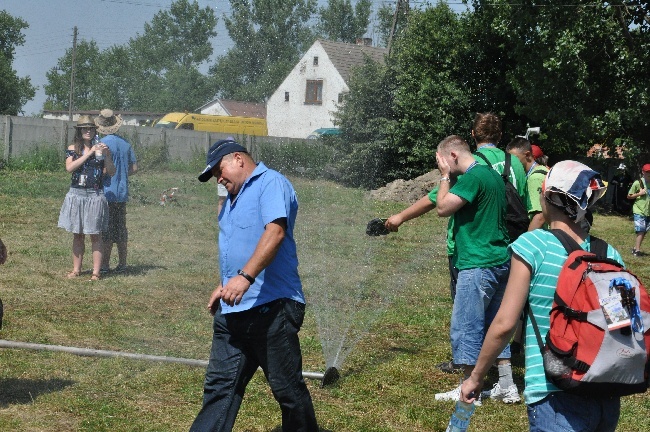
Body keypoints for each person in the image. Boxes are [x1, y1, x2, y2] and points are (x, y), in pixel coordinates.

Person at [460, 160, 620, 431]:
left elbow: (504, 324)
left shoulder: (533, 245)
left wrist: (475, 377)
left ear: (546, 196)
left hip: (555, 395)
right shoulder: (609, 253)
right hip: (605, 395)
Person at [190, 139, 319, 432]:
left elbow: (275, 232)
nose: (218, 178)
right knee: (219, 388)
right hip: (234, 307)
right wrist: (223, 284)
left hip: (272, 307)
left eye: (219, 170)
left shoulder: (271, 183)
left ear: (238, 158)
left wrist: (244, 277)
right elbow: (239, 246)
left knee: (287, 390)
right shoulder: (231, 199)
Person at [432, 135, 520, 404]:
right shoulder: (493, 175)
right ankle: (506, 384)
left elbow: (442, 208)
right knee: (496, 325)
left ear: (453, 156)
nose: (441, 167)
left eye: (442, 162)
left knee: (467, 326)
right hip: (500, 260)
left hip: (477, 262)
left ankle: (468, 389)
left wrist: (445, 176)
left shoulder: (471, 177)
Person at [57, 115, 115, 281]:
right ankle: (76, 270)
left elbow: (111, 172)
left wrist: (108, 156)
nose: (88, 131)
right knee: (78, 234)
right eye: (84, 128)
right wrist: (88, 153)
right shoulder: (73, 148)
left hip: (95, 194)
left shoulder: (101, 148)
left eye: (90, 128)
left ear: (95, 130)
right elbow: (69, 168)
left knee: (95, 234)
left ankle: (96, 273)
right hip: (77, 194)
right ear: (79, 131)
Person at [96, 109, 138, 273]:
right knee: (121, 229)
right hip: (122, 193)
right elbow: (134, 168)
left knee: (106, 230)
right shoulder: (125, 144)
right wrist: (122, 173)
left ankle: (105, 265)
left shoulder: (101, 144)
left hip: (106, 193)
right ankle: (122, 264)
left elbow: (101, 169)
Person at [471, 113, 527, 204]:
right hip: (514, 217)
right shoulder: (515, 161)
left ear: (473, 133)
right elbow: (525, 200)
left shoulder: (469, 162)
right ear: (500, 135)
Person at [505, 138, 549, 231]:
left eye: (515, 159)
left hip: (540, 236)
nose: (511, 163)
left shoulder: (535, 178)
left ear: (528, 155)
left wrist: (524, 242)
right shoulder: (543, 170)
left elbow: (539, 217)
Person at [627, 163, 650, 256]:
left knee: (644, 231)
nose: (649, 174)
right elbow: (629, 196)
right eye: (647, 172)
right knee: (641, 230)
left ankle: (635, 248)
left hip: (648, 212)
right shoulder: (638, 183)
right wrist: (639, 194)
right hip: (638, 210)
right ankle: (637, 251)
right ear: (643, 172)